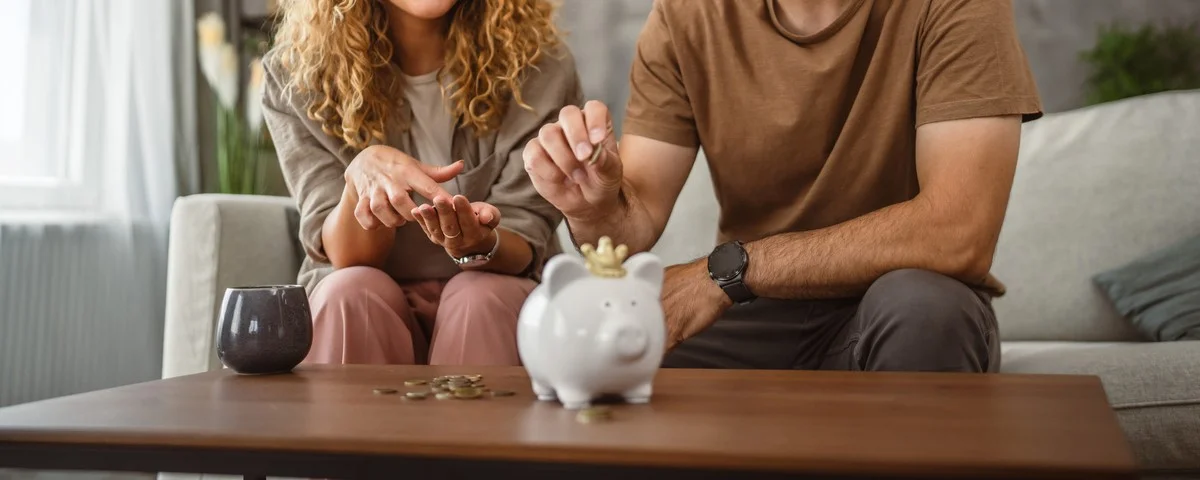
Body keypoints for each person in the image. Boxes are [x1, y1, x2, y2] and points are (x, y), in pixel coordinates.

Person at [523, 0, 1043, 372]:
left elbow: (959, 233)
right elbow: (628, 230)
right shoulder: (686, 15)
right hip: (752, 314)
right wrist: (591, 204)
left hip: (890, 311)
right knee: (590, 354)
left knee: (926, 308)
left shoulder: (958, 7)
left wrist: (726, 273)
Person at [262, 0, 579, 366]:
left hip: (496, 291)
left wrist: (478, 243)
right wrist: (362, 180)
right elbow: (348, 259)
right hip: (364, 293)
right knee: (347, 292)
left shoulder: (540, 65)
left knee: (480, 296)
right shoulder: (296, 75)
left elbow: (525, 239)